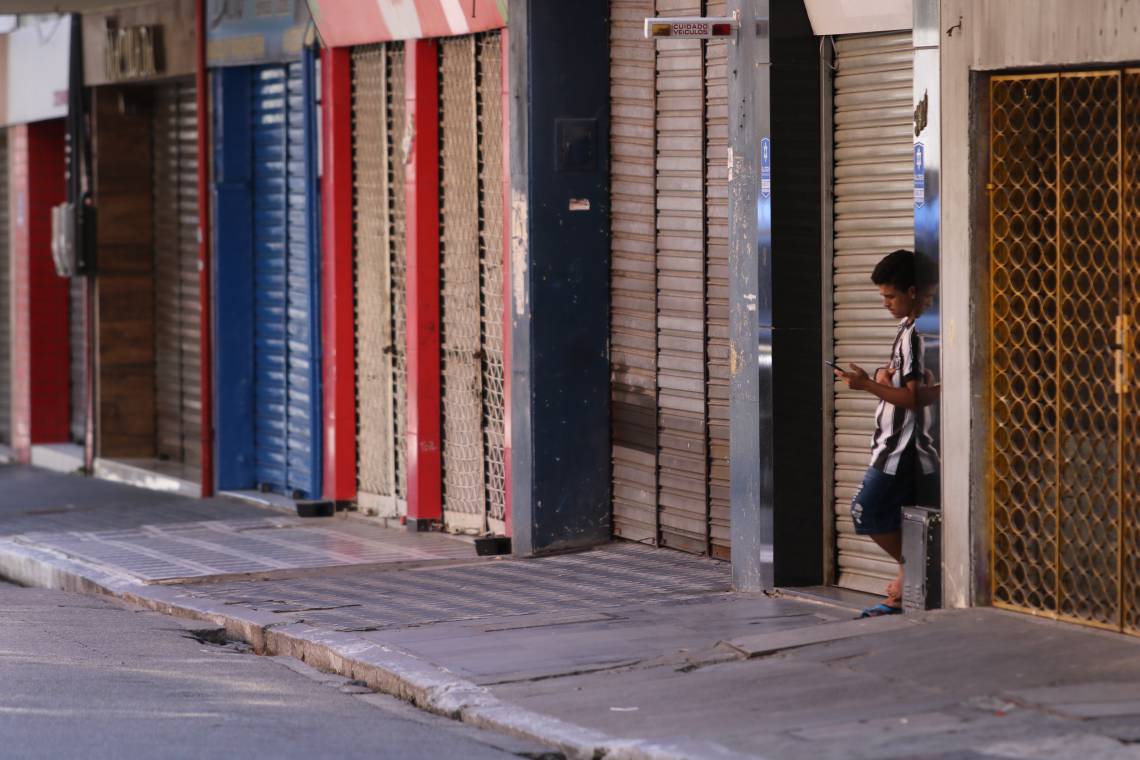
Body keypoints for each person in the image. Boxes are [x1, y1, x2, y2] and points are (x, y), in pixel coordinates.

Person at [834, 249, 939, 617]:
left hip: (902, 451)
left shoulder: (917, 333)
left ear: (912, 291)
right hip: (895, 447)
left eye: (890, 296)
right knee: (902, 520)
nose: (886, 304)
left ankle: (914, 575)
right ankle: (907, 590)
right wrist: (883, 375)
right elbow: (920, 386)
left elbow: (910, 398)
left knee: (868, 511)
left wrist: (866, 385)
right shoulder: (911, 329)